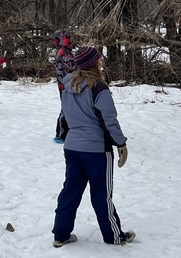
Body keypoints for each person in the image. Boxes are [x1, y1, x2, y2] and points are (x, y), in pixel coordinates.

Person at [52, 46, 135, 247]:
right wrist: (121, 143)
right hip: (96, 150)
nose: (102, 61)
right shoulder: (99, 88)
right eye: (99, 59)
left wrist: (65, 137)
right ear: (93, 63)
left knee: (70, 191)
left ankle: (60, 234)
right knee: (101, 194)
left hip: (72, 148)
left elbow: (64, 117)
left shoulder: (68, 86)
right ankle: (114, 236)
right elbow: (110, 121)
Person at [51, 29, 76, 143]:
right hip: (65, 86)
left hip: (68, 85)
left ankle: (64, 132)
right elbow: (74, 66)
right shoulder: (63, 52)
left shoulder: (65, 51)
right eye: (67, 38)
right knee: (66, 109)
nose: (69, 40)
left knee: (68, 108)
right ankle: (61, 134)